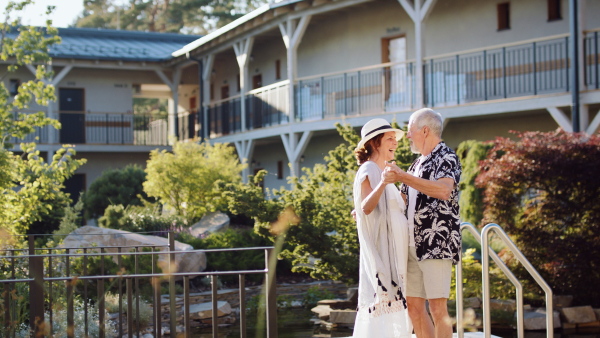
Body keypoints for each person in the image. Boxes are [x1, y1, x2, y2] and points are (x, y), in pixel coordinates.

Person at [384, 108, 462, 338]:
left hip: (435, 243)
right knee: (414, 308)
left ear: (425, 131)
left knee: (438, 309)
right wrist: (366, 206)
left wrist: (402, 176)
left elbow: (444, 190)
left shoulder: (446, 156)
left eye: (410, 131)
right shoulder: (416, 163)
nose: (407, 136)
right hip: (410, 244)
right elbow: (401, 200)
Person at [352, 118, 412, 338]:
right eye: (390, 139)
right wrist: (385, 183)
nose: (395, 143)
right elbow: (367, 207)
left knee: (394, 307)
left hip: (396, 251)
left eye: (395, 139)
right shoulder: (370, 169)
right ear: (375, 143)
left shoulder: (383, 170)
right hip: (385, 252)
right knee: (384, 307)